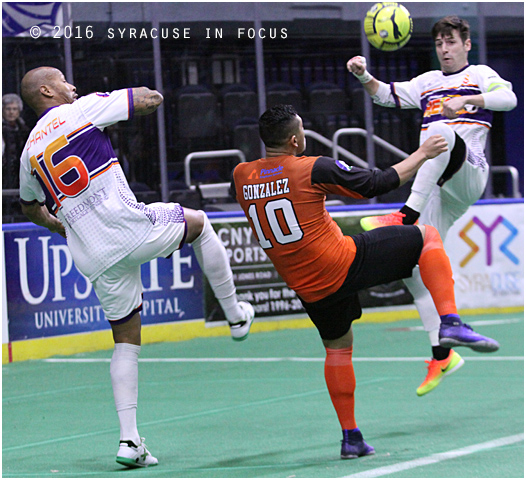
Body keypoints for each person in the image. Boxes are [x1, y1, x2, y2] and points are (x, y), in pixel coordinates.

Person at [231, 104, 500, 459]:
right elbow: (377, 183)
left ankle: (351, 437)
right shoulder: (313, 167)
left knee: (338, 349)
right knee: (427, 237)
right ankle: (450, 323)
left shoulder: (240, 174)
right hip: (341, 263)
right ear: (296, 140)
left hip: (307, 286)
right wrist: (423, 153)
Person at [18, 67, 255, 468]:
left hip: (93, 252)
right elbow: (151, 99)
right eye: (63, 81)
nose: (71, 86)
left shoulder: (27, 153)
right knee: (200, 223)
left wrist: (58, 224)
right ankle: (234, 315)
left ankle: (130, 441)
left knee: (126, 340)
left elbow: (28, 206)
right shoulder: (85, 109)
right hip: (128, 227)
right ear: (46, 90)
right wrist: (123, 98)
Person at [347, 15, 515, 396]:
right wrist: (362, 74)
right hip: (439, 188)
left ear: (466, 44)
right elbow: (385, 94)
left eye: (451, 42)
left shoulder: (481, 74)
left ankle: (403, 213)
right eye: (440, 43)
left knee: (438, 131)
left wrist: (467, 100)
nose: (445, 48)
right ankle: (444, 348)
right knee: (414, 264)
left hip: (469, 171)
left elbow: (509, 99)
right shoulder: (426, 82)